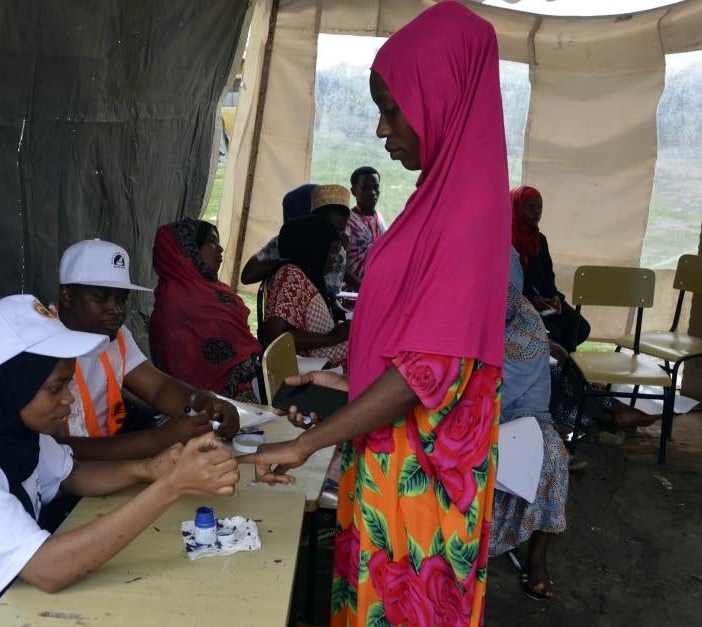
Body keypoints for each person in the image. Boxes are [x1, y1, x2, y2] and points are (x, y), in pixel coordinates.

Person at [239, 4, 510, 625]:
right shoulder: (436, 201)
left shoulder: (464, 218)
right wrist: (344, 381)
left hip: (419, 488)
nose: (383, 130)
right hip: (390, 460)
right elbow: (418, 348)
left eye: (391, 108)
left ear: (441, 96)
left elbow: (425, 372)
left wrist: (305, 445)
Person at [0, 295, 239, 626]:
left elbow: (73, 473)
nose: (68, 399)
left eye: (68, 383)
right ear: (11, 384)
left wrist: (151, 469)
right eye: (56, 388)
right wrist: (170, 488)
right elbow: (48, 570)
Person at [53, 239, 240, 462]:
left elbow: (159, 388)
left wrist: (203, 403)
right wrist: (157, 440)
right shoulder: (42, 347)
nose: (116, 310)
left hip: (101, 465)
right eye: (101, 298)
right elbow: (56, 449)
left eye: (122, 299)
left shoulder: (114, 336)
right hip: (64, 479)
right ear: (67, 296)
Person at [489, 249, 569, 601]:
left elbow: (494, 395)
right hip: (467, 409)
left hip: (520, 420)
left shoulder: (526, 327)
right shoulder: (461, 314)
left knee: (553, 456)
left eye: (506, 289)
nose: (498, 300)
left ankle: (537, 557)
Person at [149, 219, 263, 403]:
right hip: (206, 404)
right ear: (187, 250)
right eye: (211, 241)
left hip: (248, 387)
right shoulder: (176, 300)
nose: (220, 249)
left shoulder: (213, 289)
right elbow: (184, 365)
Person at [511, 185, 591, 353]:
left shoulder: (540, 240)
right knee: (555, 332)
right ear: (517, 208)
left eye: (540, 206)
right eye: (530, 207)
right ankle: (557, 371)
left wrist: (554, 298)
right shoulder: (507, 241)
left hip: (543, 302)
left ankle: (562, 371)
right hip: (518, 306)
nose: (537, 212)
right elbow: (508, 284)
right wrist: (531, 299)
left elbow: (547, 277)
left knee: (580, 327)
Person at [262, 215, 349, 368]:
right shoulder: (290, 276)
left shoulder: (310, 275)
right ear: (315, 248)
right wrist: (330, 338)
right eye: (332, 251)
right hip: (315, 366)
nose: (336, 259)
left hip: (326, 357)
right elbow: (275, 335)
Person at [240, 184, 359, 294]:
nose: (337, 236)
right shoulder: (286, 241)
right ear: (314, 220)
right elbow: (248, 276)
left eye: (340, 231)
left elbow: (330, 296)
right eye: (330, 228)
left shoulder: (338, 252)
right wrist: (293, 263)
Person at [345, 166, 387, 283]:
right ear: (353, 191)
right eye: (366, 188)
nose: (372, 192)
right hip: (352, 291)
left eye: (375, 187)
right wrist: (360, 286)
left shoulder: (380, 218)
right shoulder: (347, 221)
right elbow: (338, 263)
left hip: (375, 285)